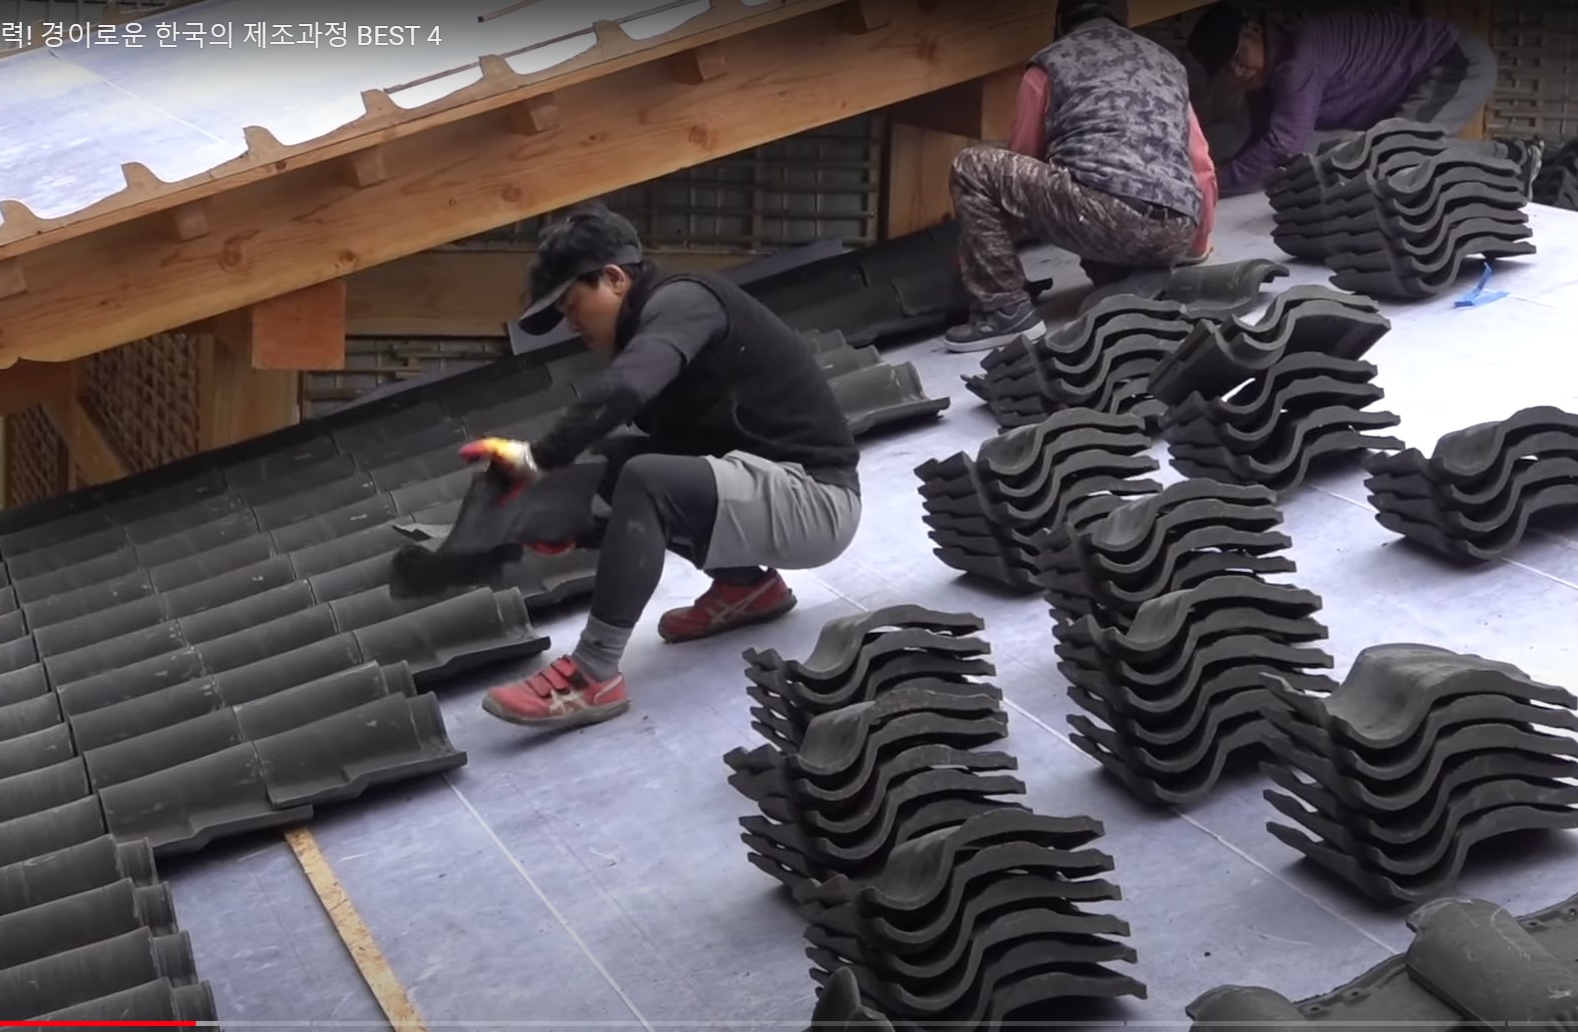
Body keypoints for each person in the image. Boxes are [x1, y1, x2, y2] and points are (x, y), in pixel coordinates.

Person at [467, 204, 862, 730]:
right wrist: (579, 528)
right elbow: (665, 495)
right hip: (770, 490)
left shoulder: (684, 302)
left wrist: (537, 458)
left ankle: (591, 674)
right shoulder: (656, 330)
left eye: (572, 304)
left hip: (817, 500)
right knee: (619, 464)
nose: (571, 324)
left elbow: (627, 389)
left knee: (645, 478)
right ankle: (746, 587)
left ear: (614, 278)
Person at [942, 0, 1217, 353]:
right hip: (1177, 229)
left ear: (1060, 22)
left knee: (974, 166)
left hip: (1103, 219)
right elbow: (1200, 162)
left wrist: (982, 259)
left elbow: (1020, 163)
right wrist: (1195, 246)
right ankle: (1137, 274)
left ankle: (1005, 312)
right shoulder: (1167, 64)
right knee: (1095, 193)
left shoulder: (1050, 63)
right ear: (1123, 17)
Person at [1187, 4, 1497, 197]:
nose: (1237, 71)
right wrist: (1218, 175)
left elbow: (1282, 146)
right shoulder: (1268, 75)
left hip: (1453, 62)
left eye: (1237, 56)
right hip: (1416, 75)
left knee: (1397, 151)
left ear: (1255, 31)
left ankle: (1500, 162)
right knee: (1385, 153)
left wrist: (1214, 185)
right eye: (1226, 69)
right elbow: (1261, 141)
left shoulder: (1299, 60)